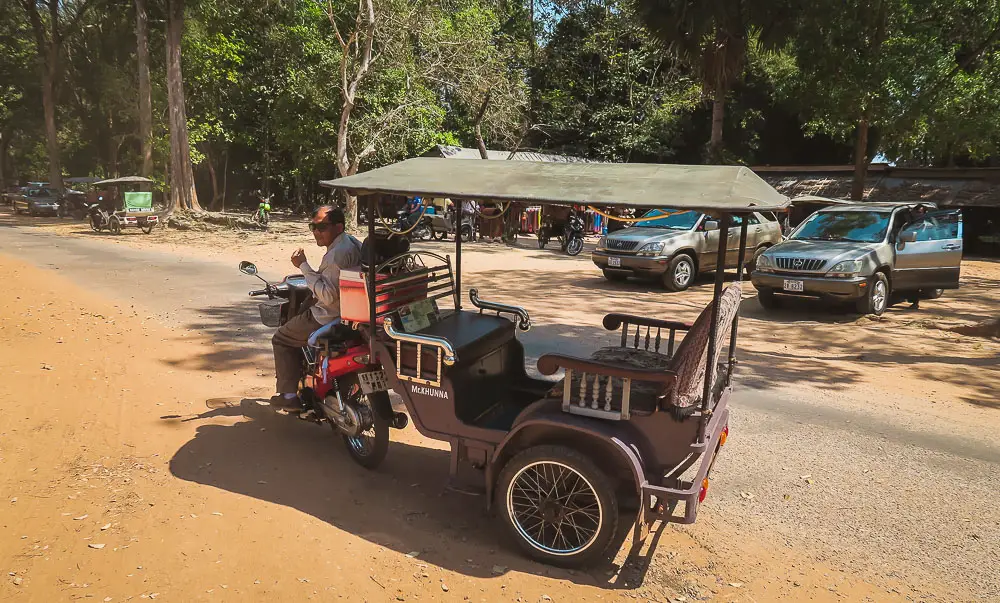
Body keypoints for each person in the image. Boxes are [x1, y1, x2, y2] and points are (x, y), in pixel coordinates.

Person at [269, 206, 362, 410]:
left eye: (322, 227)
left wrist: (303, 266)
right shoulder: (352, 243)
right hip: (349, 311)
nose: (316, 232)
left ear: (338, 227)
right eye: (313, 227)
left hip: (328, 315)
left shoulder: (336, 255)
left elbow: (327, 297)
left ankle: (289, 396)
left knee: (281, 338)